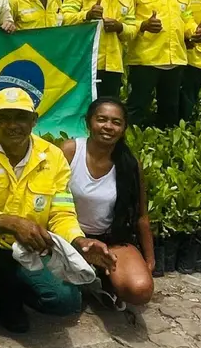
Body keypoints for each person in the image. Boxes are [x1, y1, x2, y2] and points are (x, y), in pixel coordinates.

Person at [0, 88, 116, 348]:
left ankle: (8, 298)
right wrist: (12, 223)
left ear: (34, 120)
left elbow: (61, 213)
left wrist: (79, 241)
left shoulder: (52, 157)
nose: (12, 125)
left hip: (23, 252)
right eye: (4, 117)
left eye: (21, 117)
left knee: (66, 301)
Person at [61, 99, 154, 307]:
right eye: (101, 119)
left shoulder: (129, 163)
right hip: (70, 238)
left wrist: (149, 262)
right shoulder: (70, 151)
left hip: (109, 241)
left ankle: (101, 277)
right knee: (63, 298)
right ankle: (91, 277)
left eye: (116, 122)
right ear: (89, 122)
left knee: (140, 291)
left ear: (123, 128)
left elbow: (141, 215)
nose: (108, 127)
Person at [61, 0, 138, 100]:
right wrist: (87, 15)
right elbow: (64, 20)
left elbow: (132, 30)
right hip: (84, 62)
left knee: (108, 107)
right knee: (84, 108)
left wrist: (120, 27)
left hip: (113, 65)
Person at [125, 0, 190, 128]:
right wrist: (143, 25)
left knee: (170, 109)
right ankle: (128, 142)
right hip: (145, 60)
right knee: (137, 107)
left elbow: (187, 16)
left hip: (175, 59)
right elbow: (126, 21)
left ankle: (166, 142)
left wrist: (194, 31)